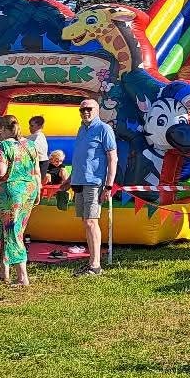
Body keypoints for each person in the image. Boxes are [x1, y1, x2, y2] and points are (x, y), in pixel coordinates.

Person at [59, 99, 116, 277]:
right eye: (82, 110)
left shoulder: (104, 129)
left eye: (89, 109)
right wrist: (69, 179)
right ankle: (93, 261)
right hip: (79, 182)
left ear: (97, 110)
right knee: (86, 221)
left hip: (95, 182)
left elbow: (112, 158)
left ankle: (95, 265)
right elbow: (80, 158)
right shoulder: (81, 129)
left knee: (91, 221)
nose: (85, 112)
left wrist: (108, 185)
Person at [0, 115, 40, 286]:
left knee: (12, 232)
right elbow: (37, 171)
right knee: (10, 229)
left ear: (4, 129)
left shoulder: (5, 145)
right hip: (29, 190)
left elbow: (1, 172)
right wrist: (38, 190)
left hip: (11, 192)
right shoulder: (30, 144)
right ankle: (3, 271)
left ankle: (22, 276)